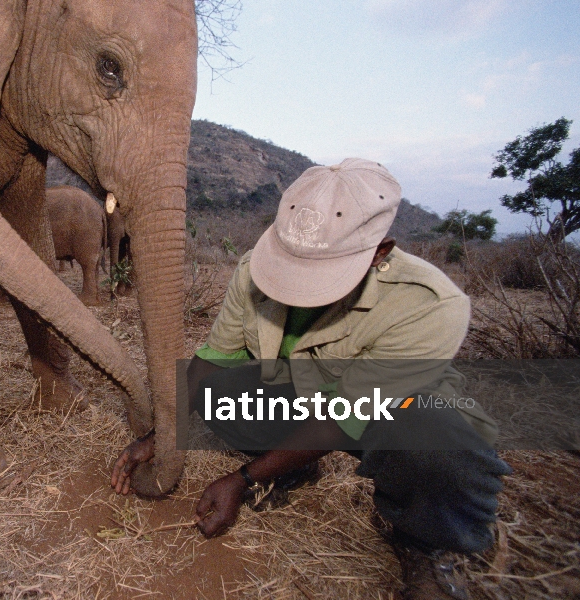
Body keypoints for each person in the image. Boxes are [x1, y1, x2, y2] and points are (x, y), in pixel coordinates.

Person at [112, 158, 511, 600]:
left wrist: (243, 480)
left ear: (380, 252)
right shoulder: (250, 270)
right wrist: (164, 432)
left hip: (387, 413)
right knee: (215, 392)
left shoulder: (431, 304)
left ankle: (429, 546)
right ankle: (292, 466)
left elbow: (346, 414)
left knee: (438, 446)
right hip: (303, 398)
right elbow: (213, 358)